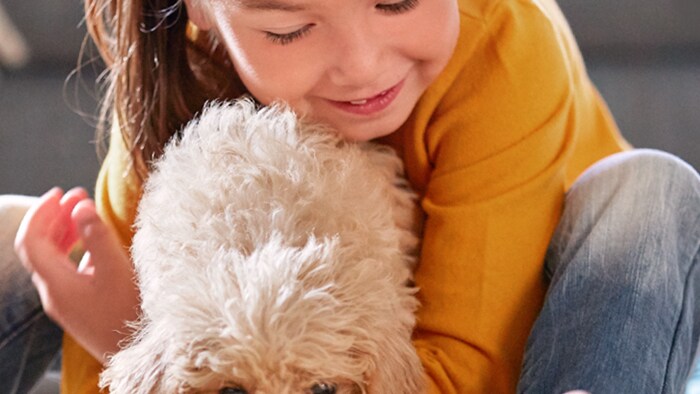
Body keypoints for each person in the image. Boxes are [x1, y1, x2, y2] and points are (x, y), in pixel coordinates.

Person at [2, 0, 699, 392]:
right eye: (289, 28)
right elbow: (113, 374)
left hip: (537, 336)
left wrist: (123, 320)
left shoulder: (504, 50)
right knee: (23, 240)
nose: (363, 65)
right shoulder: (177, 81)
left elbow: (467, 379)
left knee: (651, 193)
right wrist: (131, 332)